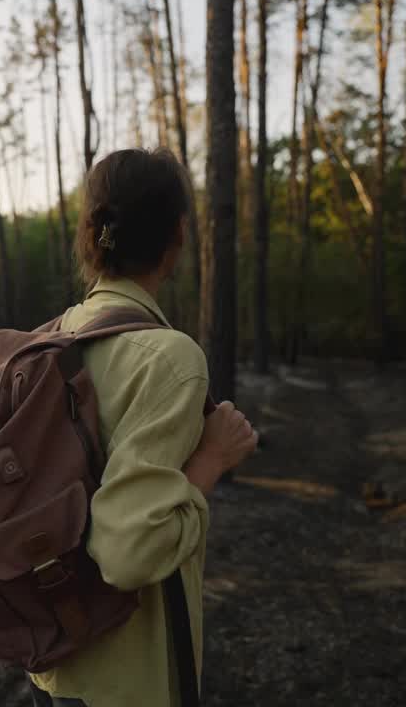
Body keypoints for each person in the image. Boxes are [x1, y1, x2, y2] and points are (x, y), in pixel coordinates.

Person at [28, 148, 259, 706]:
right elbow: (128, 553)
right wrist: (210, 461)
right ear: (178, 234)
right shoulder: (170, 359)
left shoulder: (56, 335)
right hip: (127, 677)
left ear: (92, 230)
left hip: (56, 663)